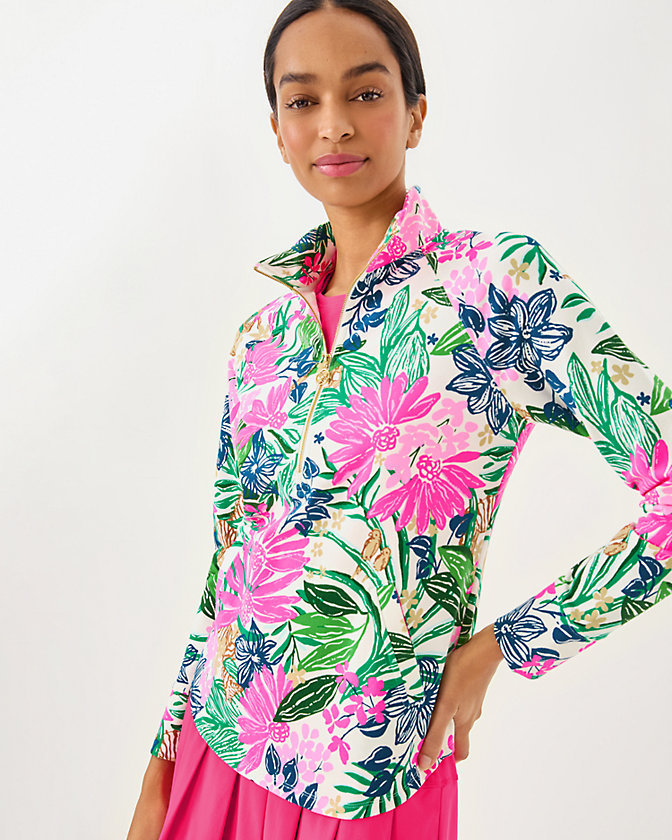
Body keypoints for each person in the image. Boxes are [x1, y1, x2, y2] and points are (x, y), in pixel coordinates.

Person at [127, 1, 672, 838]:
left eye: (366, 93)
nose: (334, 124)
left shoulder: (493, 287)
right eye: (303, 100)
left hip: (371, 768)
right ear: (277, 131)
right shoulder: (263, 337)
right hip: (218, 744)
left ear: (416, 113)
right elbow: (228, 567)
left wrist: (505, 646)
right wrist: (162, 760)